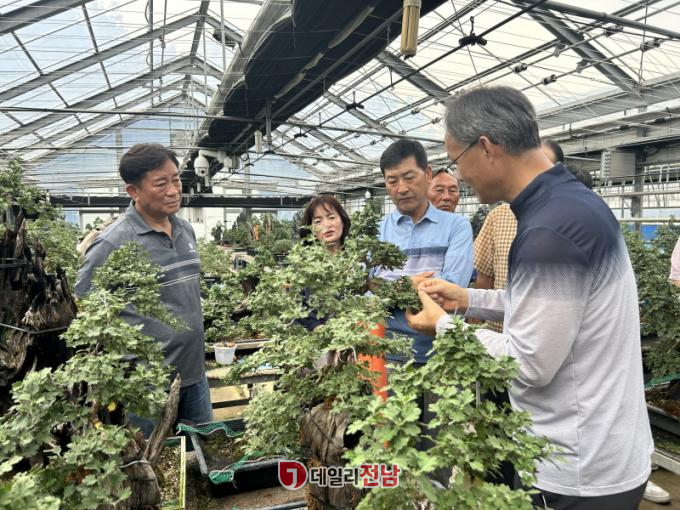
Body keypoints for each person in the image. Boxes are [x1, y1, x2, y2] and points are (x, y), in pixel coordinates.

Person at [407, 86, 652, 509]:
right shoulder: (570, 205)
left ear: (486, 147)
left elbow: (529, 362)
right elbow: (555, 306)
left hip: (577, 469)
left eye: (456, 160)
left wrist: (442, 326)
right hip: (599, 446)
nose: (457, 176)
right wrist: (467, 298)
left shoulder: (550, 229)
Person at [75, 143, 212, 436]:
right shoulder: (113, 242)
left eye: (176, 179)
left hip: (194, 374)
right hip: (146, 385)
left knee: (204, 449)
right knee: (150, 458)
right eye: (161, 184)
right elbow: (84, 306)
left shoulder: (185, 230)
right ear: (133, 191)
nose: (173, 190)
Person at [375, 138, 474, 364]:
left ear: (427, 174)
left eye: (409, 177)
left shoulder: (456, 226)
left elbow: (450, 289)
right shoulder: (376, 231)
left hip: (442, 353)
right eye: (392, 181)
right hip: (385, 352)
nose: (401, 188)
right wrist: (408, 285)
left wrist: (388, 288)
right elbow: (362, 294)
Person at [297, 195, 351, 331]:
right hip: (320, 336)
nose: (326, 225)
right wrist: (315, 327)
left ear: (343, 221)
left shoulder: (359, 258)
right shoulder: (304, 264)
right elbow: (297, 303)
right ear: (311, 229)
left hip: (359, 333)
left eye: (331, 217)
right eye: (318, 221)